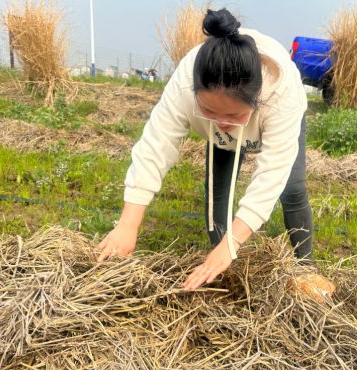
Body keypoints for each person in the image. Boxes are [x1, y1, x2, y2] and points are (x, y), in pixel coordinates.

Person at [97, 8, 313, 291]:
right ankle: (220, 263)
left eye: (234, 116)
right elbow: (155, 146)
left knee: (293, 188)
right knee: (218, 196)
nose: (224, 124)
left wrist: (234, 243)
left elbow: (272, 174)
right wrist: (128, 224)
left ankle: (306, 267)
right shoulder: (185, 84)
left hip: (274, 122)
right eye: (210, 111)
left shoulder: (282, 94)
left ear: (256, 101)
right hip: (219, 130)